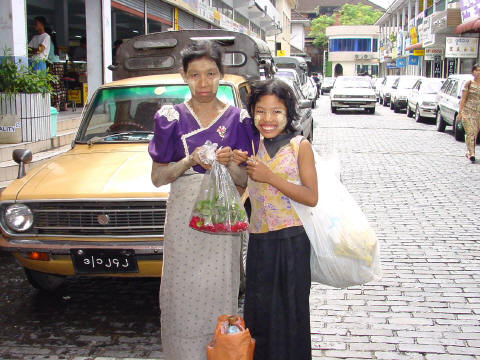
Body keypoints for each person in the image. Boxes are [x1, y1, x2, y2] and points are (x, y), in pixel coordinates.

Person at [148, 40, 258, 360]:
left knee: (219, 294)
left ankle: (224, 352)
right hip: (184, 224)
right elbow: (157, 178)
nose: (204, 83)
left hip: (222, 223)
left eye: (210, 74)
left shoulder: (239, 120)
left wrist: (231, 164)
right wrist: (189, 160)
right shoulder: (170, 117)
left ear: (221, 75)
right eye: (195, 75)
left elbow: (242, 182)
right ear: (184, 76)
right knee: (179, 296)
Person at [240, 78, 318, 360]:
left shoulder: (300, 146)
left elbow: (311, 196)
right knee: (259, 314)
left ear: (288, 113)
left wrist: (270, 177)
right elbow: (244, 190)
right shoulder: (251, 145)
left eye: (276, 111)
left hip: (292, 241)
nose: (268, 119)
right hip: (260, 242)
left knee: (291, 314)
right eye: (260, 111)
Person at [459, 63, 480, 163]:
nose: (479, 72)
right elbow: (463, 99)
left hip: (478, 113)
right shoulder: (469, 83)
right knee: (470, 132)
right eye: (477, 70)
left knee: (475, 133)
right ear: (473, 72)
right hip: (467, 111)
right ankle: (472, 153)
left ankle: (469, 151)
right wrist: (460, 112)